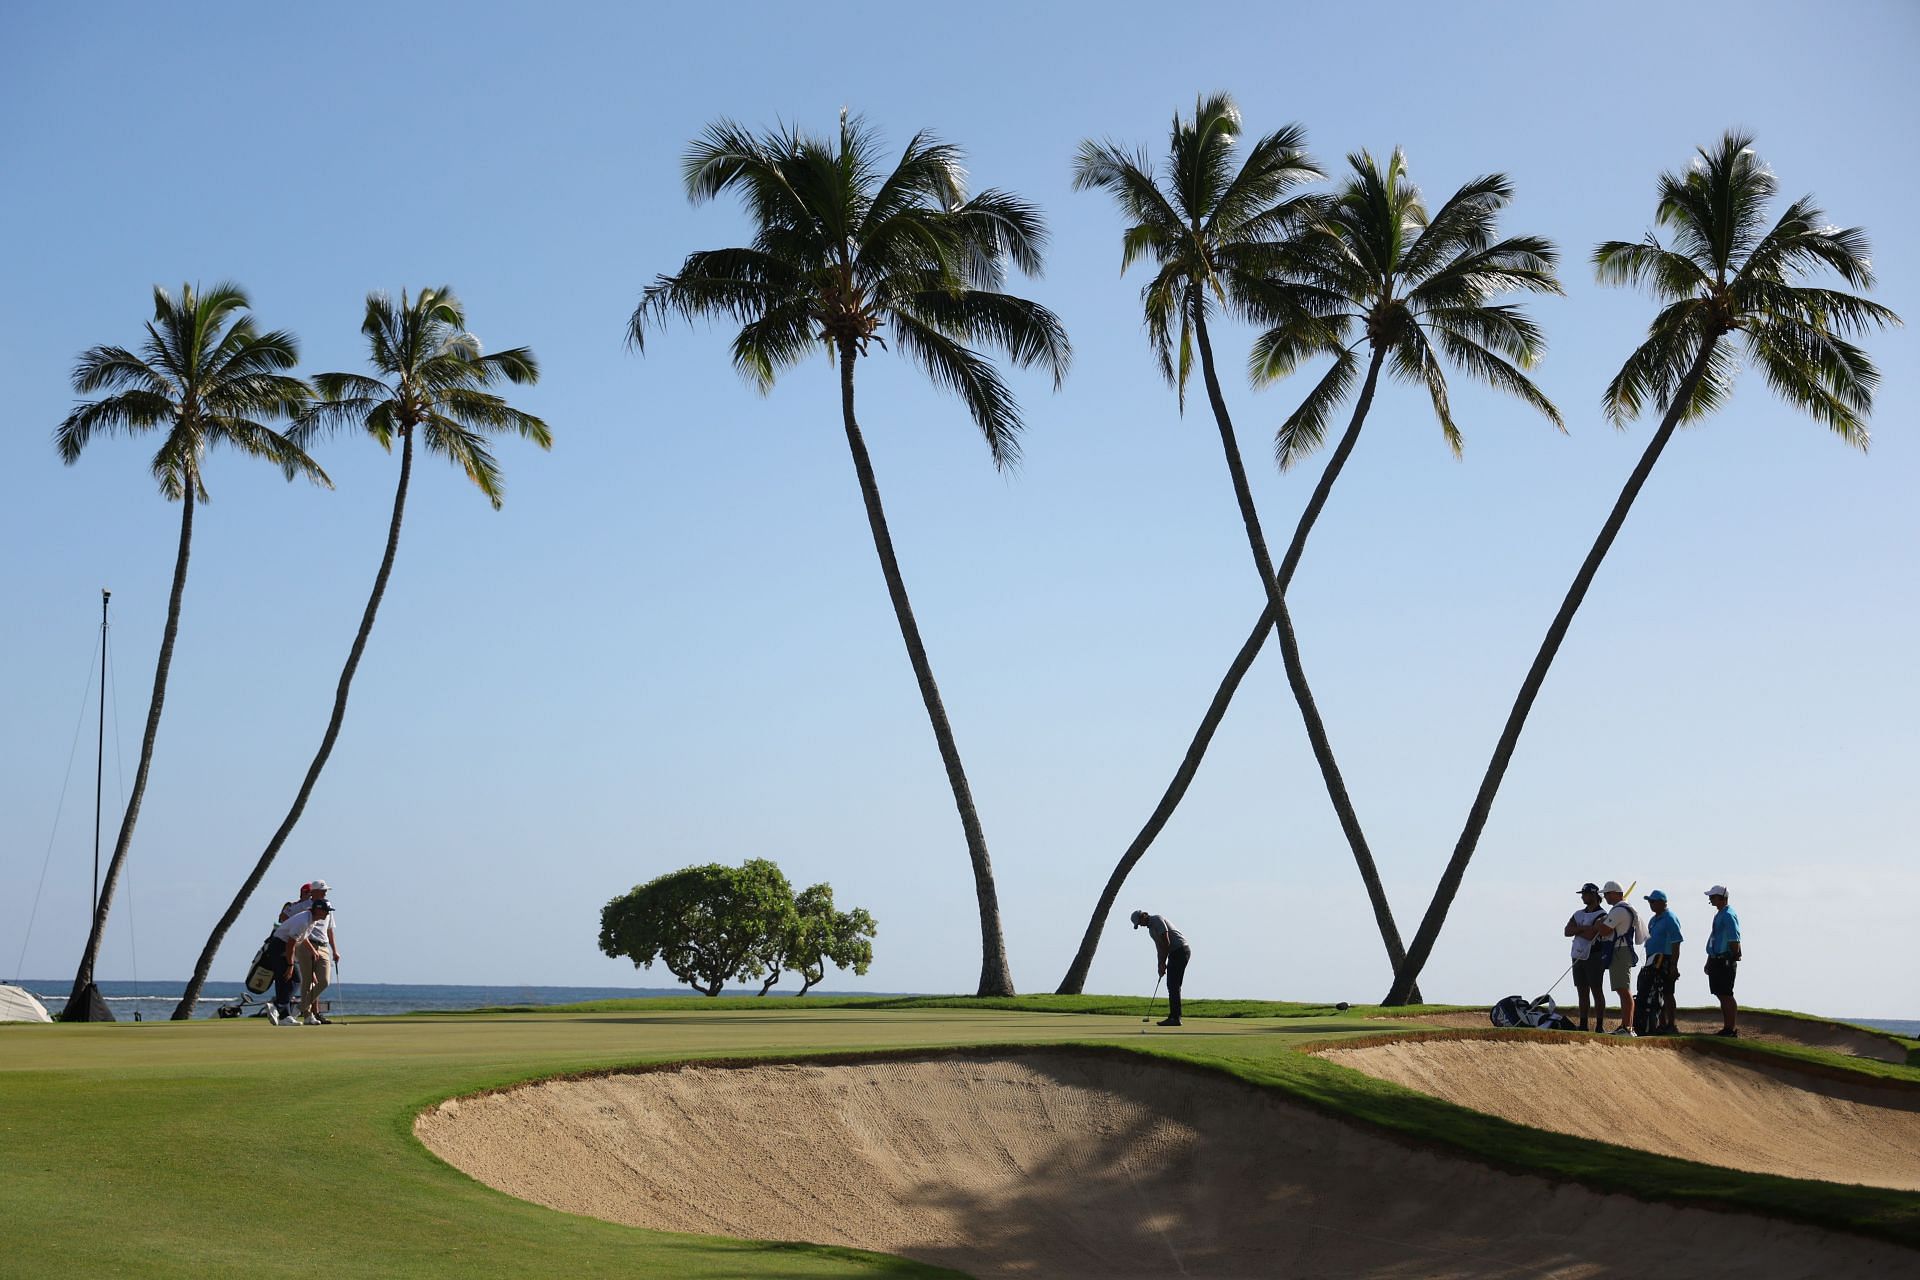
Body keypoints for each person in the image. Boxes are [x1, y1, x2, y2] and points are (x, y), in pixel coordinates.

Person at [1129, 909, 1190, 1027]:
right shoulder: (1151, 931)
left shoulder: (1157, 919)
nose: (1140, 925)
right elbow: (1160, 948)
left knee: (1173, 985)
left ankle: (1175, 1018)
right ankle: (1174, 1017)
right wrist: (1160, 964)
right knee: (1172, 985)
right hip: (1174, 953)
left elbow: (1166, 941)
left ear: (1144, 915)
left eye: (1139, 922)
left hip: (1181, 951)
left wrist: (1164, 962)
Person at [1564, 883, 1610, 1031]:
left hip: (1594, 955)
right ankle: (1583, 1024)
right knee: (1582, 991)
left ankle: (1599, 1026)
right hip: (1578, 954)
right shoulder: (1578, 913)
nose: (1583, 897)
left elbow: (1592, 935)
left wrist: (1578, 930)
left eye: (1585, 894)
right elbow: (1567, 931)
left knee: (1596, 990)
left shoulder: (1602, 914)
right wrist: (1584, 928)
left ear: (1594, 895)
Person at [1600, 881, 1644, 1036]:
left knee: (1623, 990)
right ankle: (1626, 1026)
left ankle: (1627, 1027)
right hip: (1620, 950)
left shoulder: (1619, 910)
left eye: (1607, 893)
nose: (1605, 897)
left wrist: (1600, 923)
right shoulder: (1622, 908)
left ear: (1616, 894)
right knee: (1622, 989)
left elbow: (1604, 930)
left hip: (1620, 950)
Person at [292, 899, 339, 1025]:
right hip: (307, 947)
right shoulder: (306, 915)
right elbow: (302, 935)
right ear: (318, 909)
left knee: (324, 981)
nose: (327, 914)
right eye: (326, 911)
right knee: (307, 982)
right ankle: (308, 1016)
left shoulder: (323, 916)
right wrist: (311, 949)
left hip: (323, 946)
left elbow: (330, 931)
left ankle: (299, 1008)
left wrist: (335, 950)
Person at [1642, 889, 1683, 1035]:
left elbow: (1676, 942)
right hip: (1653, 959)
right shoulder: (1653, 919)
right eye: (1649, 901)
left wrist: (1673, 965)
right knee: (1655, 992)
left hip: (1665, 959)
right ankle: (1662, 1024)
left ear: (1661, 902)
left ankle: (1671, 1024)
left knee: (1667, 992)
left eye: (1652, 901)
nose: (1650, 904)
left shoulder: (1670, 918)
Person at [1703, 885, 1742, 1037]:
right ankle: (1727, 1027)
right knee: (1720, 993)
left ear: (1722, 898)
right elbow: (1715, 939)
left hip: (1725, 959)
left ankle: (1730, 1029)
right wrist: (1709, 960)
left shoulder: (1728, 915)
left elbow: (1734, 937)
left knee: (1726, 994)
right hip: (1716, 959)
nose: (1710, 899)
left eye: (1713, 897)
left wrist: (1734, 954)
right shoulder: (1720, 914)